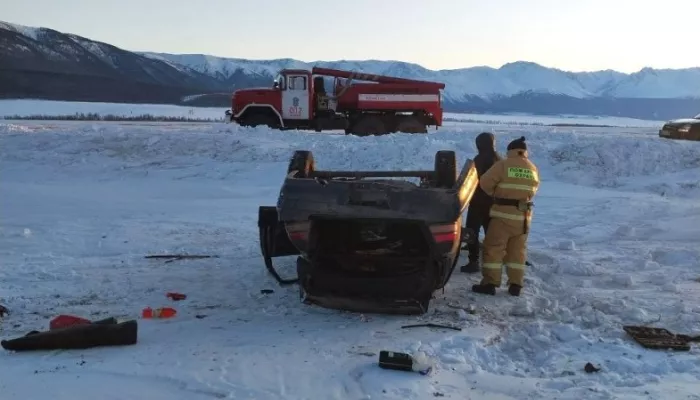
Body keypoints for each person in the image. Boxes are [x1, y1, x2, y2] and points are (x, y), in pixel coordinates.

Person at [471, 136, 540, 297]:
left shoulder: (503, 165)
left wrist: (496, 194)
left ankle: (490, 283)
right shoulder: (532, 167)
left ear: (511, 150)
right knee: (517, 251)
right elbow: (534, 188)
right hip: (524, 217)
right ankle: (516, 284)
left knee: (493, 248)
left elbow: (485, 182)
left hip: (503, 214)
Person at [461, 132, 502, 273]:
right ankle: (494, 258)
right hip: (494, 201)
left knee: (472, 230)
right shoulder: (499, 159)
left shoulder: (479, 159)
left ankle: (473, 261)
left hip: (479, 201)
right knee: (490, 231)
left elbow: (472, 179)